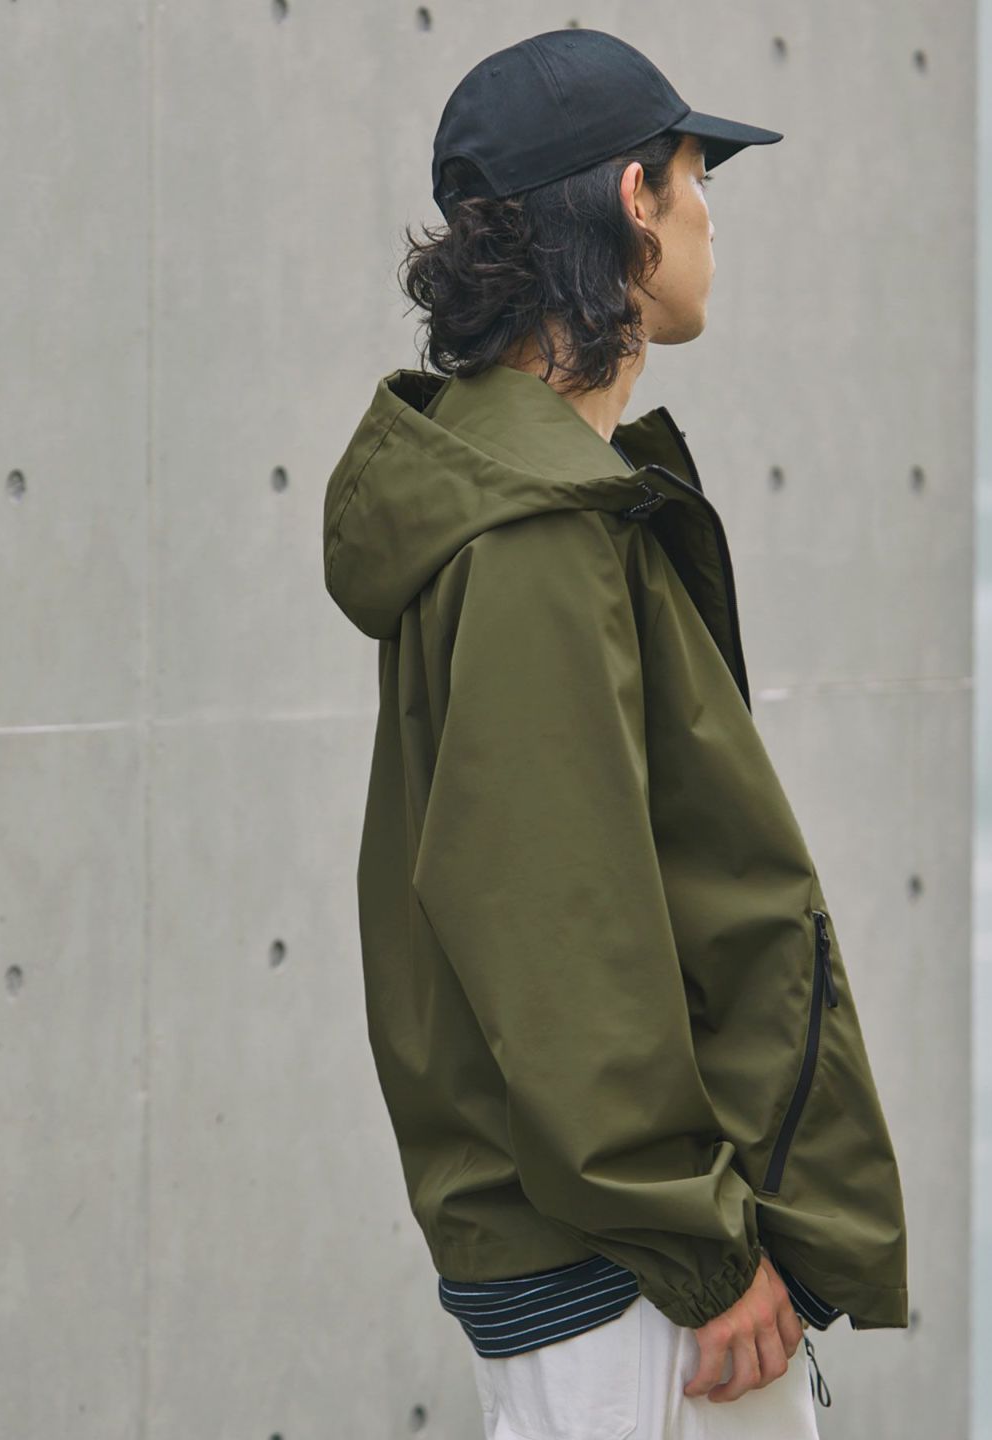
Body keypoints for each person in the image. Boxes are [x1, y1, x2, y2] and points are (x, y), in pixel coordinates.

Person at [322, 27, 908, 1440]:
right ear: (635, 199)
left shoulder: (540, 497)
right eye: (698, 177)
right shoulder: (536, 532)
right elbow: (555, 923)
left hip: (632, 1255)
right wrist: (702, 1250)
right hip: (639, 1279)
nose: (710, 217)